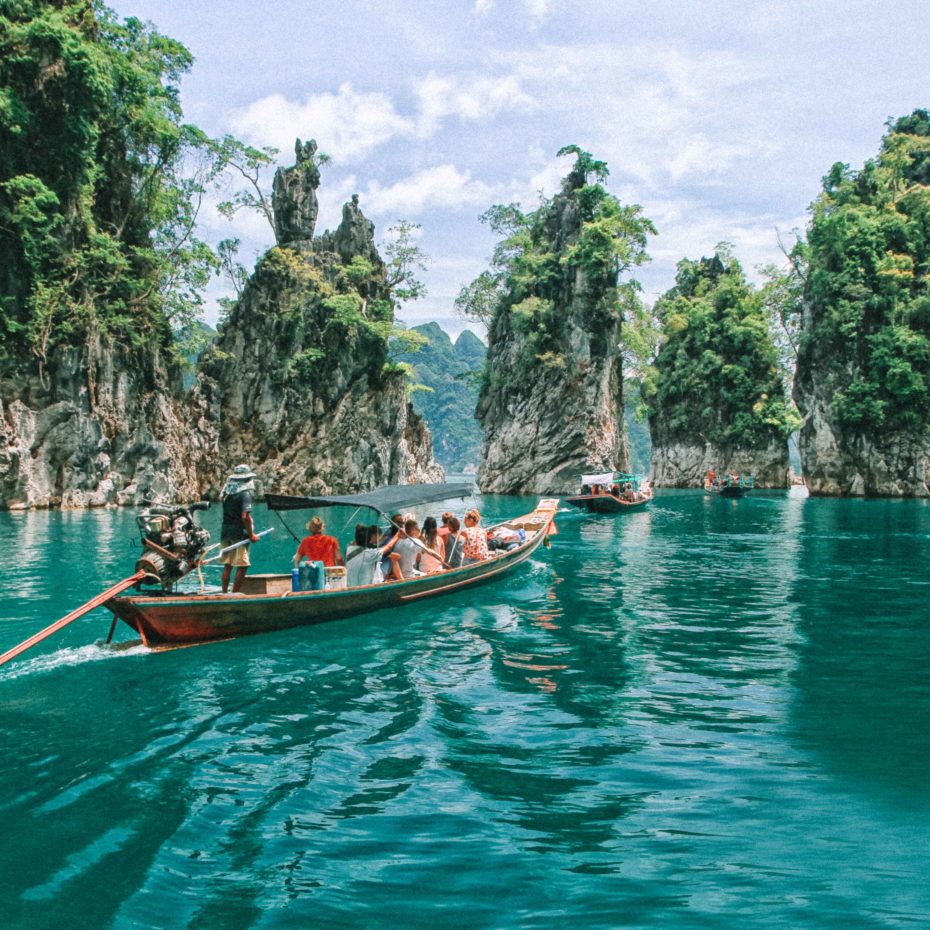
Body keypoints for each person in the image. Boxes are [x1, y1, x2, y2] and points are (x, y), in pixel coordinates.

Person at [220, 463, 260, 593]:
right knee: (243, 565)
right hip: (238, 533)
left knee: (228, 564)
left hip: (225, 531)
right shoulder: (245, 494)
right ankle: (234, 594)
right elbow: (245, 516)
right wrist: (251, 534)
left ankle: (224, 592)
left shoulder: (227, 493)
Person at [345, 523, 402, 588]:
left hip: (350, 586)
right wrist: (398, 535)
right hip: (364, 588)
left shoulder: (349, 549)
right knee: (392, 560)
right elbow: (389, 547)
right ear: (370, 538)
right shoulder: (370, 554)